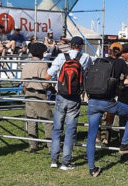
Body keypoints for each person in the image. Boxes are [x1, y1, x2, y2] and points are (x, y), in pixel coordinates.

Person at [86, 42, 128, 177]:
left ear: (108, 51)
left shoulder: (98, 61)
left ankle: (92, 169)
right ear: (120, 53)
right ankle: (125, 143)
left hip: (92, 101)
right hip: (107, 103)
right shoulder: (120, 63)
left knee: (91, 138)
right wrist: (119, 83)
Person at [46, 36, 92, 170]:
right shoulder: (85, 58)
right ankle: (66, 162)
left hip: (60, 95)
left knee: (57, 128)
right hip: (75, 98)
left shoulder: (61, 57)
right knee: (70, 129)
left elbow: (48, 75)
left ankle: (54, 160)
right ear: (81, 46)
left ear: (70, 45)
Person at [21, 42, 53, 153]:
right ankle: (51, 146)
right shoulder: (43, 65)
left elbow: (23, 82)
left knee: (31, 120)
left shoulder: (27, 65)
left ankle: (33, 145)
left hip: (28, 94)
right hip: (39, 94)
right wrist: (50, 88)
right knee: (47, 120)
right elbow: (45, 83)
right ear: (41, 53)